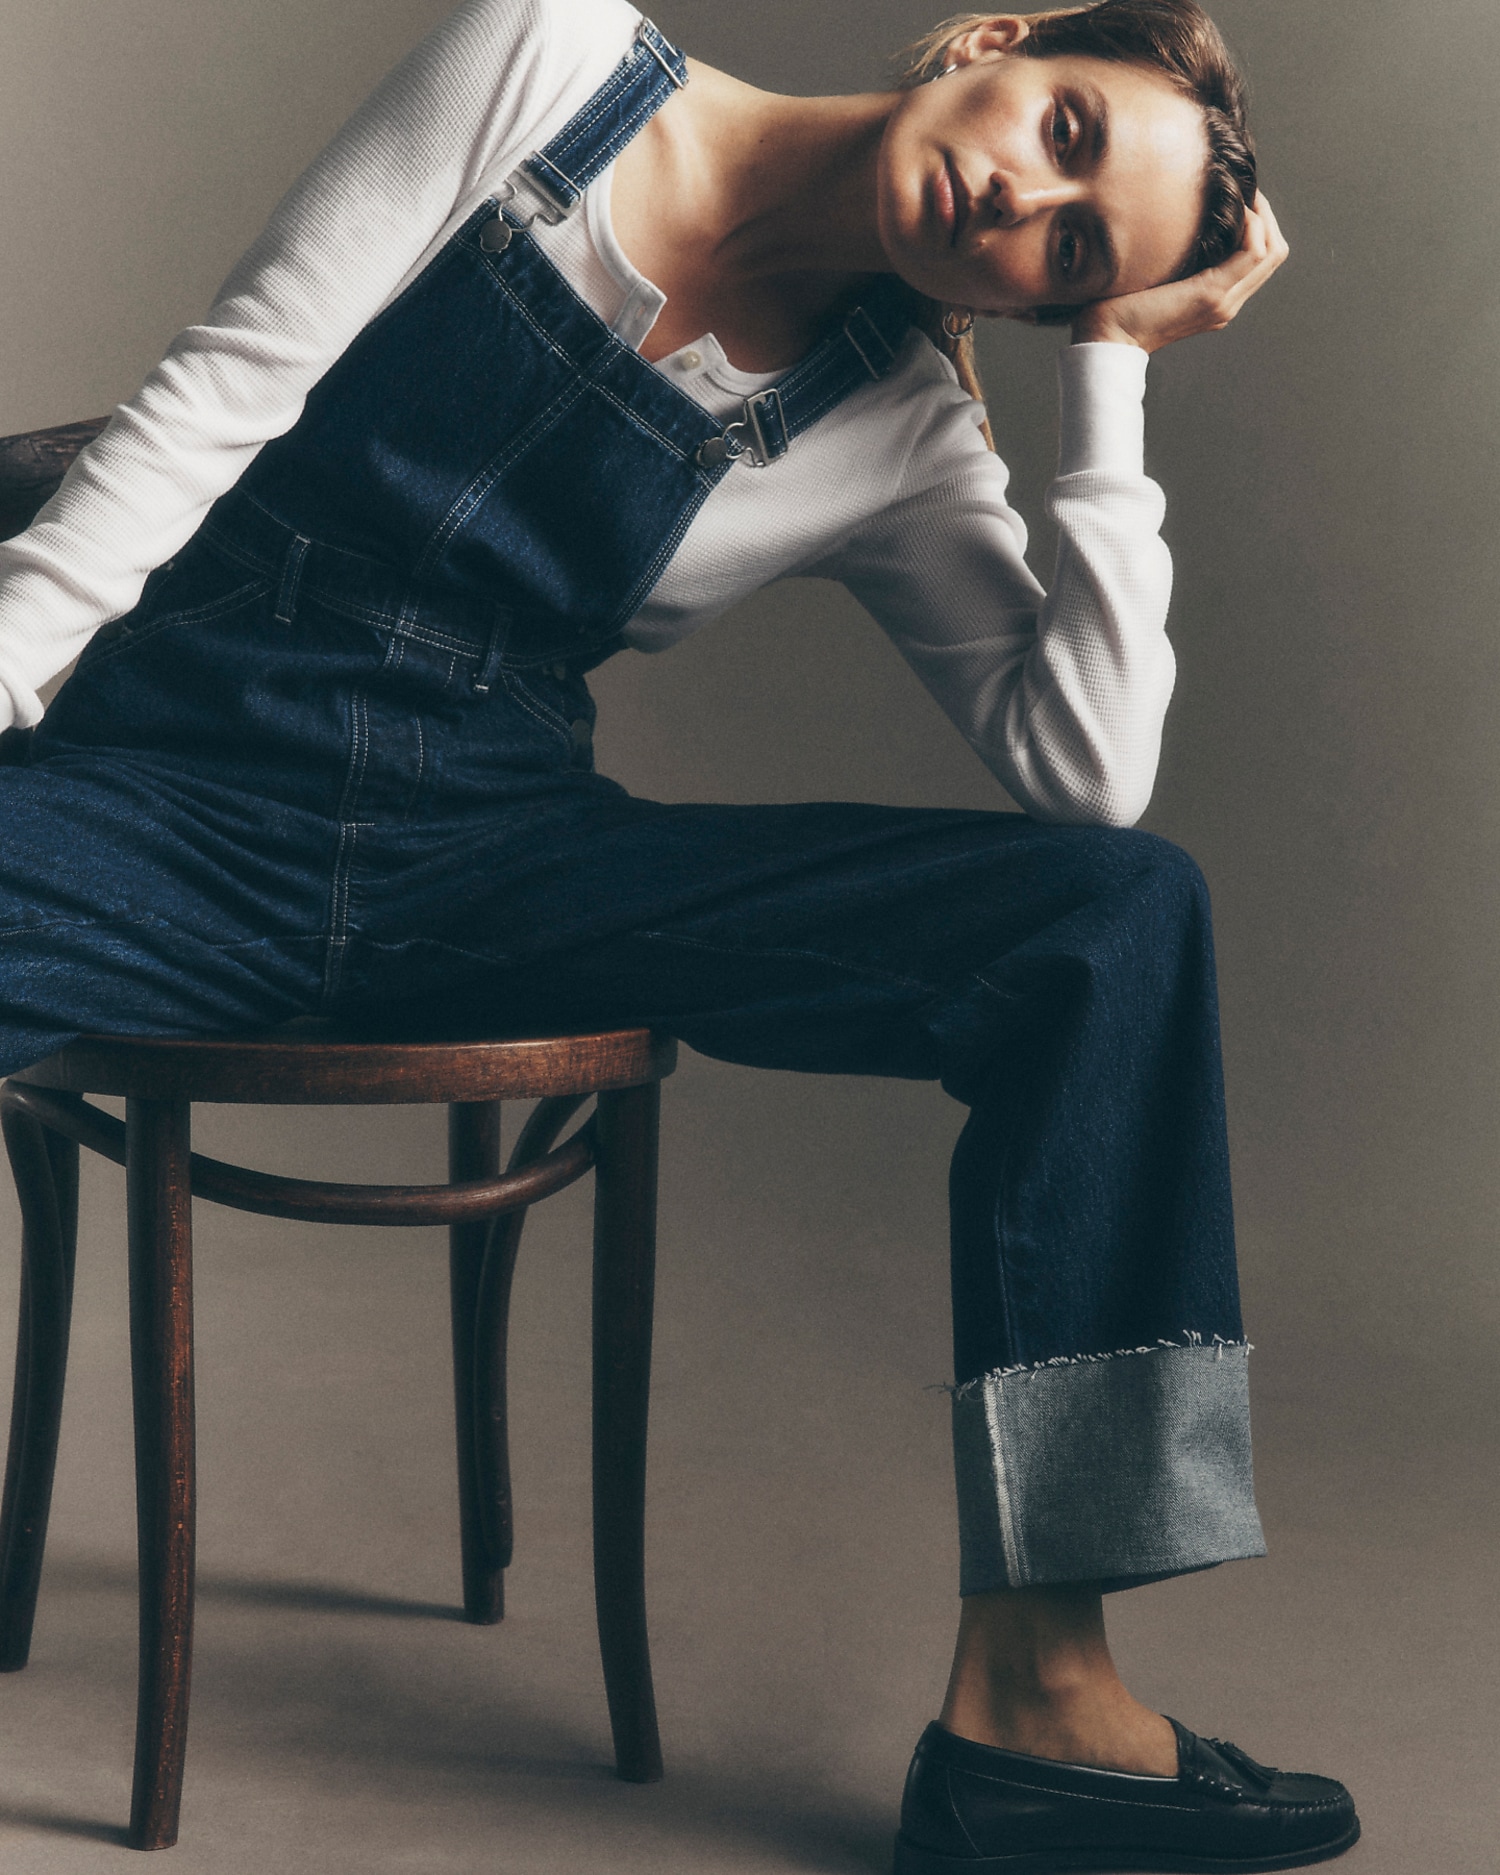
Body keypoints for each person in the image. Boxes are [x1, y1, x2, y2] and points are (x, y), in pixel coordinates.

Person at [0, 0, 1354, 1867]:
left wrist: (1108, 373)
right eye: (1059, 129)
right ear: (995, 38)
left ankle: (1033, 1698)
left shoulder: (892, 422)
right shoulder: (547, 58)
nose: (1019, 204)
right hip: (168, 778)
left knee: (1118, 926)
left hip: (486, 861)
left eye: (1072, 249)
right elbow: (222, 386)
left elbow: (1087, 771)